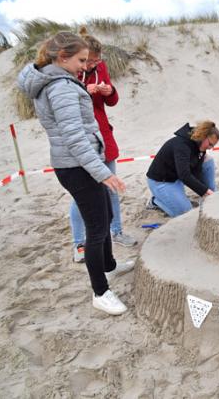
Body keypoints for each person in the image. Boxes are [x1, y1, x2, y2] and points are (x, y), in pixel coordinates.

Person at [18, 32, 134, 315]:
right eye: (82, 60)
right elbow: (74, 137)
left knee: (105, 216)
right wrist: (102, 172)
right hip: (77, 167)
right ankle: (100, 291)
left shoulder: (61, 80)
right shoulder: (61, 87)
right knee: (95, 230)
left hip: (81, 163)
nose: (86, 66)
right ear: (63, 58)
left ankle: (109, 265)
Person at [69, 27, 137, 264]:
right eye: (90, 61)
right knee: (83, 195)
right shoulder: (68, 72)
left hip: (104, 136)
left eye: (97, 61)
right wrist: (83, 91)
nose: (93, 65)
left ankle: (116, 231)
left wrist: (109, 91)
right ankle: (79, 243)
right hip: (84, 141)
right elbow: (67, 108)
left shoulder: (100, 68)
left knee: (112, 187)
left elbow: (112, 102)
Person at [146, 121, 219, 217]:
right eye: (210, 144)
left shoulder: (200, 145)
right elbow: (184, 175)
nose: (210, 148)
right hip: (161, 181)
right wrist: (205, 191)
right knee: (185, 213)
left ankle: (209, 198)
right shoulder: (182, 145)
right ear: (203, 136)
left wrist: (204, 191)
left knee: (208, 161)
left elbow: (196, 169)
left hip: (177, 175)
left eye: (213, 146)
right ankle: (155, 201)